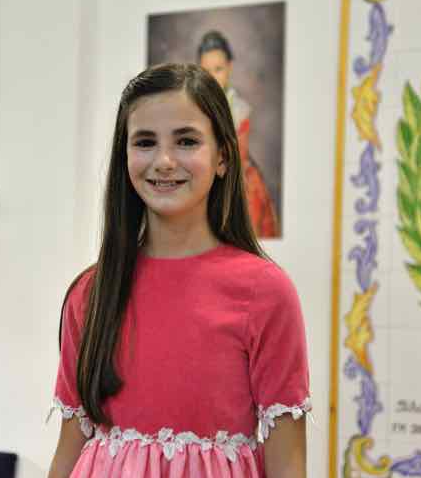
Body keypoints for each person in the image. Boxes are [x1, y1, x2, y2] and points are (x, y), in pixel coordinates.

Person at [47, 63, 310, 478]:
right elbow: (69, 449)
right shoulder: (91, 292)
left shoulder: (265, 292)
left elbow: (288, 462)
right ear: (125, 156)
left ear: (223, 157)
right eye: (145, 142)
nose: (164, 161)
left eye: (186, 141)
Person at [197, 31, 280, 238]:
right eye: (206, 71)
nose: (212, 77)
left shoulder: (239, 109)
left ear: (229, 67)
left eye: (218, 69)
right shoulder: (191, 107)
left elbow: (237, 156)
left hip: (234, 176)